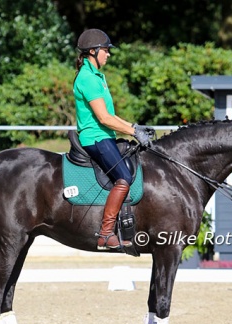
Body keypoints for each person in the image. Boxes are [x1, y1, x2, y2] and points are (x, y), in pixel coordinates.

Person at [73, 28, 152, 251]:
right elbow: (104, 118)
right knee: (124, 177)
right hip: (95, 138)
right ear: (93, 51)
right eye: (106, 50)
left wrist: (133, 127)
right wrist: (134, 133)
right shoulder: (88, 79)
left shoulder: (98, 76)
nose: (108, 54)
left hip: (105, 135)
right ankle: (106, 234)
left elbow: (112, 115)